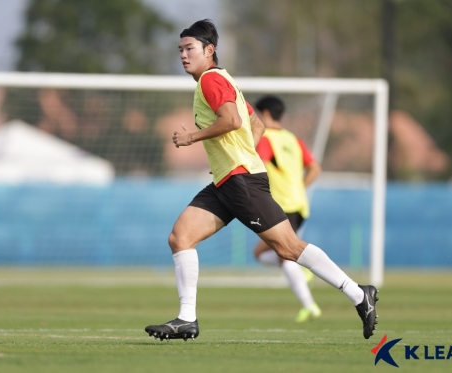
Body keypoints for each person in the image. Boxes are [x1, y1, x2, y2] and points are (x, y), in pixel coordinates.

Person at [145, 19, 378, 342]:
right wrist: (237, 154)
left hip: (242, 182)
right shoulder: (221, 80)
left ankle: (358, 294)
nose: (183, 55)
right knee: (180, 236)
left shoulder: (211, 80)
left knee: (288, 248)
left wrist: (193, 138)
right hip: (229, 180)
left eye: (189, 49)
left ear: (209, 51)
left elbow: (232, 120)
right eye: (180, 50)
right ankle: (187, 319)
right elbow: (255, 125)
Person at [252, 95, 322, 323]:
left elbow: (258, 164)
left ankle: (310, 305)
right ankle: (302, 271)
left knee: (285, 255)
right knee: (260, 253)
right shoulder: (294, 140)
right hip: (299, 204)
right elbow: (314, 168)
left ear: (265, 114)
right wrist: (299, 188)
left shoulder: (266, 138)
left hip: (282, 206)